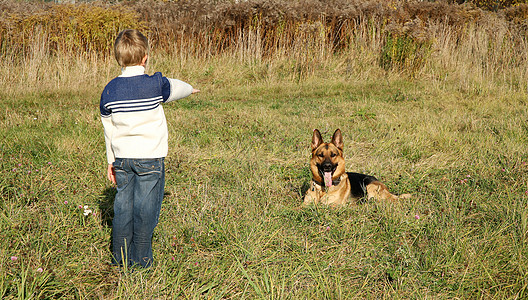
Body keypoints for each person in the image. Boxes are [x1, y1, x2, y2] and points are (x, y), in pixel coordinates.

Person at [100, 29, 199, 268]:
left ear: (118, 59)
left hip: (123, 158)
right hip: (150, 159)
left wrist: (111, 161)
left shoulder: (109, 91)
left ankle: (119, 259)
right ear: (145, 57)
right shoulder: (155, 84)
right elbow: (177, 88)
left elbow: (109, 129)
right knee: (146, 208)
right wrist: (192, 89)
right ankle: (141, 261)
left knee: (123, 205)